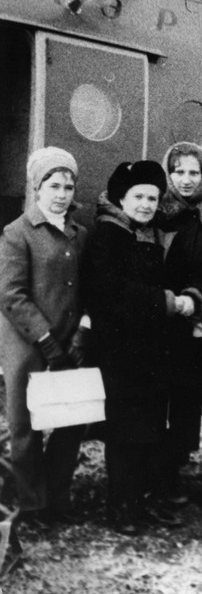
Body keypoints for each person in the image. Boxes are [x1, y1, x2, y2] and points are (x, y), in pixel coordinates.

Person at [86, 160, 201, 535]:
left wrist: (190, 297)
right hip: (120, 352)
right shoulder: (108, 235)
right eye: (138, 197)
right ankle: (120, 506)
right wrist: (167, 302)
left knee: (149, 428)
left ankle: (139, 502)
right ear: (122, 198)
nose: (146, 204)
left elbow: (181, 276)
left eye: (152, 198)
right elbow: (111, 292)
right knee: (124, 432)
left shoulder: (156, 234)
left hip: (154, 351)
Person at [0, 147, 88, 527]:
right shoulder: (17, 232)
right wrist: (45, 340)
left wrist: (81, 332)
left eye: (68, 187)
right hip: (27, 344)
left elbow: (88, 288)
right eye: (53, 186)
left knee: (71, 420)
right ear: (37, 188)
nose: (61, 194)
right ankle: (31, 503)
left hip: (70, 343)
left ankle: (57, 495)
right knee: (25, 425)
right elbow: (10, 294)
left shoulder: (80, 234)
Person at [158, 142, 202, 505]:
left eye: (194, 173)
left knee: (186, 399)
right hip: (156, 319)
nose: (186, 180)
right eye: (179, 171)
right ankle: (152, 471)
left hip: (196, 319)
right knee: (156, 399)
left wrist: (196, 301)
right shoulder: (155, 211)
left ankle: (174, 470)